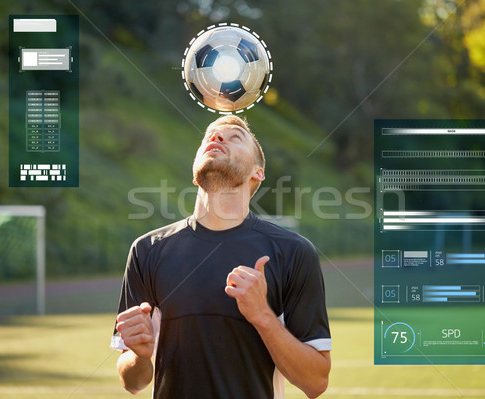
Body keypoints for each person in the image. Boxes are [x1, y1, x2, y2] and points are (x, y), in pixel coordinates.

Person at [111, 115, 331, 398]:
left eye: (235, 137)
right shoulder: (147, 250)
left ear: (257, 173)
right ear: (194, 172)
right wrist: (139, 357)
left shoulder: (294, 253)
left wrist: (263, 316)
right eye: (210, 136)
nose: (216, 138)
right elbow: (133, 382)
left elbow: (315, 383)